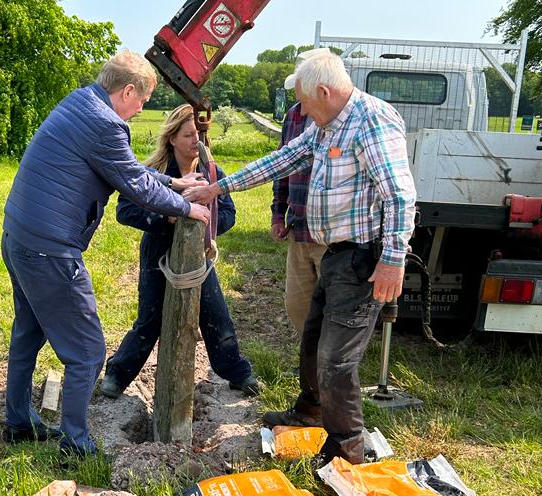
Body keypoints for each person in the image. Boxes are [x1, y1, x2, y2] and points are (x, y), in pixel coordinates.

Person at [184, 49, 416, 466]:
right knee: (312, 341)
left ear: (324, 91)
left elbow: (400, 195)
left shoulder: (371, 121)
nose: (302, 111)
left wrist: (393, 259)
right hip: (337, 255)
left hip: (364, 259)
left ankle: (347, 448)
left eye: (306, 103)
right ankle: (309, 412)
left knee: (336, 358)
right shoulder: (325, 127)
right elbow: (283, 159)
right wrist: (218, 188)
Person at [1, 50, 209, 457]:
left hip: (20, 237)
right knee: (88, 351)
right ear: (127, 90)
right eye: (142, 100)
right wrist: (188, 207)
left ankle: (19, 422)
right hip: (50, 252)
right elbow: (134, 184)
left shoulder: (80, 103)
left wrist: (174, 182)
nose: (142, 107)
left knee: (29, 331)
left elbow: (125, 168)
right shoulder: (106, 124)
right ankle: (76, 444)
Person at [101, 104, 259, 399]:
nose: (195, 141)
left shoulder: (212, 172)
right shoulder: (154, 173)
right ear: (172, 138)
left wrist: (206, 228)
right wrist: (169, 219)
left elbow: (229, 214)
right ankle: (117, 374)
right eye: (188, 135)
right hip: (158, 252)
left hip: (198, 256)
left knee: (215, 314)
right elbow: (125, 211)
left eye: (199, 134)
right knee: (150, 317)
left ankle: (236, 372)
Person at [272, 52, 327, 341]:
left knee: (331, 308)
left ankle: (325, 368)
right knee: (297, 305)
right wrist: (278, 214)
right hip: (299, 226)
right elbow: (281, 165)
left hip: (332, 235)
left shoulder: (346, 120)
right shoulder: (293, 115)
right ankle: (311, 362)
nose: (301, 105)